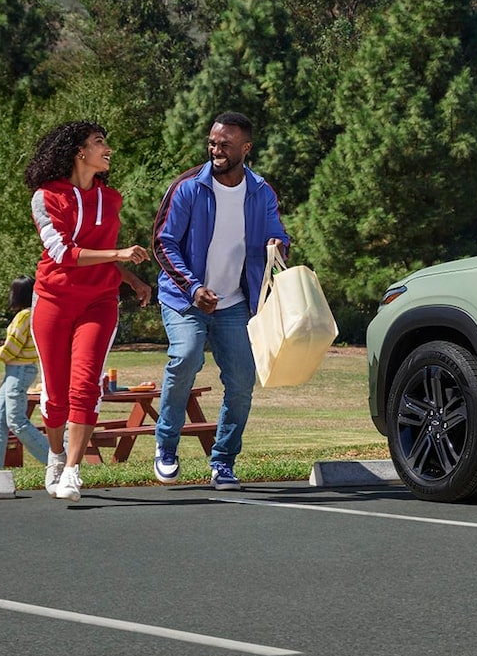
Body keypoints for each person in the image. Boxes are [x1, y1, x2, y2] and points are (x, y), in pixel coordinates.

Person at [151, 111, 289, 491]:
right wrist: (194, 288)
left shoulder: (261, 191)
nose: (216, 150)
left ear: (245, 148)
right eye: (212, 143)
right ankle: (166, 446)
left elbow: (278, 234)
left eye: (225, 144)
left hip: (234, 303)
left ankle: (223, 461)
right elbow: (163, 242)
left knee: (243, 382)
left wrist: (279, 245)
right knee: (186, 356)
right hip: (184, 299)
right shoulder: (188, 188)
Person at [24, 120, 151, 501]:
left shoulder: (111, 199)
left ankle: (73, 471)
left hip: (99, 301)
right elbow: (62, 253)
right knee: (55, 395)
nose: (107, 148)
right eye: (100, 142)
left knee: (86, 387)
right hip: (53, 300)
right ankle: (56, 455)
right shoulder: (46, 197)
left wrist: (128, 277)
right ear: (80, 152)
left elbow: (101, 256)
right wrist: (120, 254)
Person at [0, 276, 47, 471]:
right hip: (21, 370)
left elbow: (9, 352)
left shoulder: (24, 317)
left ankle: (56, 461)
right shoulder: (37, 313)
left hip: (18, 370)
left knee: (16, 421)